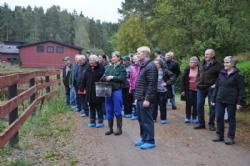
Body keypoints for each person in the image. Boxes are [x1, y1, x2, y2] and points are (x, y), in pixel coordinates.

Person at [211, 56, 245, 145]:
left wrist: (239, 102)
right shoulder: (221, 73)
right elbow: (217, 86)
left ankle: (230, 137)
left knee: (231, 119)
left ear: (232, 64)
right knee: (218, 117)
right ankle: (219, 135)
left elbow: (241, 89)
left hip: (231, 100)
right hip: (220, 99)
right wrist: (213, 98)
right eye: (224, 62)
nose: (225, 64)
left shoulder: (238, 75)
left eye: (227, 62)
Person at [134, 46, 158, 150]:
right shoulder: (143, 66)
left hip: (146, 98)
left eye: (139, 53)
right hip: (140, 97)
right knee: (141, 119)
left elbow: (152, 85)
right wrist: (137, 97)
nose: (137, 55)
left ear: (145, 54)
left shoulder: (151, 66)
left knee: (147, 120)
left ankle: (150, 141)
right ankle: (144, 138)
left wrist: (147, 99)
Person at [194, 49, 223, 130]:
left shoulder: (218, 65)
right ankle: (201, 123)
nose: (206, 56)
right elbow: (199, 74)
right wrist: (197, 82)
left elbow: (221, 77)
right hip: (200, 87)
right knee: (199, 105)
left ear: (213, 55)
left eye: (208, 54)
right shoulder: (201, 63)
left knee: (212, 107)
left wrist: (215, 85)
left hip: (211, 88)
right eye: (205, 54)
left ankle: (211, 124)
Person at [101, 51, 126, 136]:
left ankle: (119, 129)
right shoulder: (108, 67)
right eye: (112, 57)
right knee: (109, 109)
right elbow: (102, 77)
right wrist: (105, 78)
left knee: (117, 109)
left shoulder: (122, 67)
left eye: (114, 57)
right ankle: (110, 128)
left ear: (118, 58)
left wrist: (113, 77)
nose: (112, 58)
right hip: (107, 90)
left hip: (116, 90)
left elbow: (122, 78)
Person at [83, 55, 105, 128]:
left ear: (95, 61)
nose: (90, 62)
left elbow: (103, 78)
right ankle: (92, 121)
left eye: (91, 61)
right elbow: (84, 78)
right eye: (89, 61)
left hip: (99, 89)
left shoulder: (101, 67)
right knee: (91, 106)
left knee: (99, 106)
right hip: (89, 90)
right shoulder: (88, 68)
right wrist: (82, 87)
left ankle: (100, 121)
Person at [153, 58, 175, 124]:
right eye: (154, 64)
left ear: (160, 64)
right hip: (154, 90)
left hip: (163, 90)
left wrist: (167, 82)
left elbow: (173, 76)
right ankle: (153, 118)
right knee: (154, 105)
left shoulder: (165, 70)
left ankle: (163, 119)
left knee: (162, 105)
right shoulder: (152, 70)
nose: (155, 65)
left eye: (157, 63)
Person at [181, 56, 199, 124]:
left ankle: (194, 117)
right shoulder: (187, 69)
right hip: (188, 89)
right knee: (188, 103)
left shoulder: (200, 69)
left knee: (196, 104)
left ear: (196, 63)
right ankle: (187, 117)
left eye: (192, 62)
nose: (191, 63)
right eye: (190, 62)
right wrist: (183, 90)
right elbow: (183, 79)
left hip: (197, 89)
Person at [129, 54, 140, 120]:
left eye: (136, 59)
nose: (134, 60)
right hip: (133, 87)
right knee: (135, 100)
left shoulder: (141, 67)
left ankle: (139, 114)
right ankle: (135, 114)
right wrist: (130, 87)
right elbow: (131, 78)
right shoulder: (132, 68)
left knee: (139, 101)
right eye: (133, 59)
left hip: (140, 87)